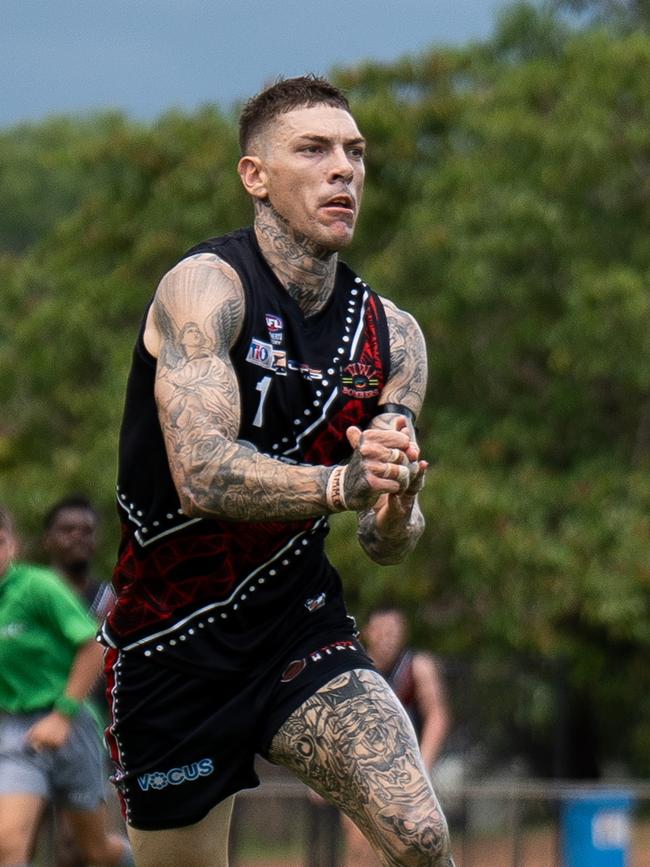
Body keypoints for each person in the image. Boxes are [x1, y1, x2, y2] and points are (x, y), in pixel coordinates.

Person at [100, 74, 455, 867]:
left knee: (421, 833)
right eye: (315, 149)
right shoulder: (206, 288)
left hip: (299, 629)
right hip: (172, 644)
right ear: (254, 176)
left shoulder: (393, 337)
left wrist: (396, 501)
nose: (344, 170)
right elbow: (201, 473)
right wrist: (341, 485)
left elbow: (387, 541)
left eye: (356, 153)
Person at [0, 505, 133, 867]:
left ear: (12, 546)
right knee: (8, 846)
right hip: (17, 731)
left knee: (91, 851)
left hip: (71, 725)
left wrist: (62, 716)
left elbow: (92, 646)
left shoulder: (36, 587)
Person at [343, 607, 451, 866]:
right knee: (358, 841)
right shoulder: (355, 670)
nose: (388, 638)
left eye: (394, 631)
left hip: (405, 774)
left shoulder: (416, 667)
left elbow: (438, 717)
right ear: (367, 632)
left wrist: (418, 771)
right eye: (382, 631)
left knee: (414, 844)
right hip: (363, 774)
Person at [43, 495, 114, 619]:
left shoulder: (111, 599)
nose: (78, 537)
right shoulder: (31, 595)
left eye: (87, 531)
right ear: (47, 539)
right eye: (67, 530)